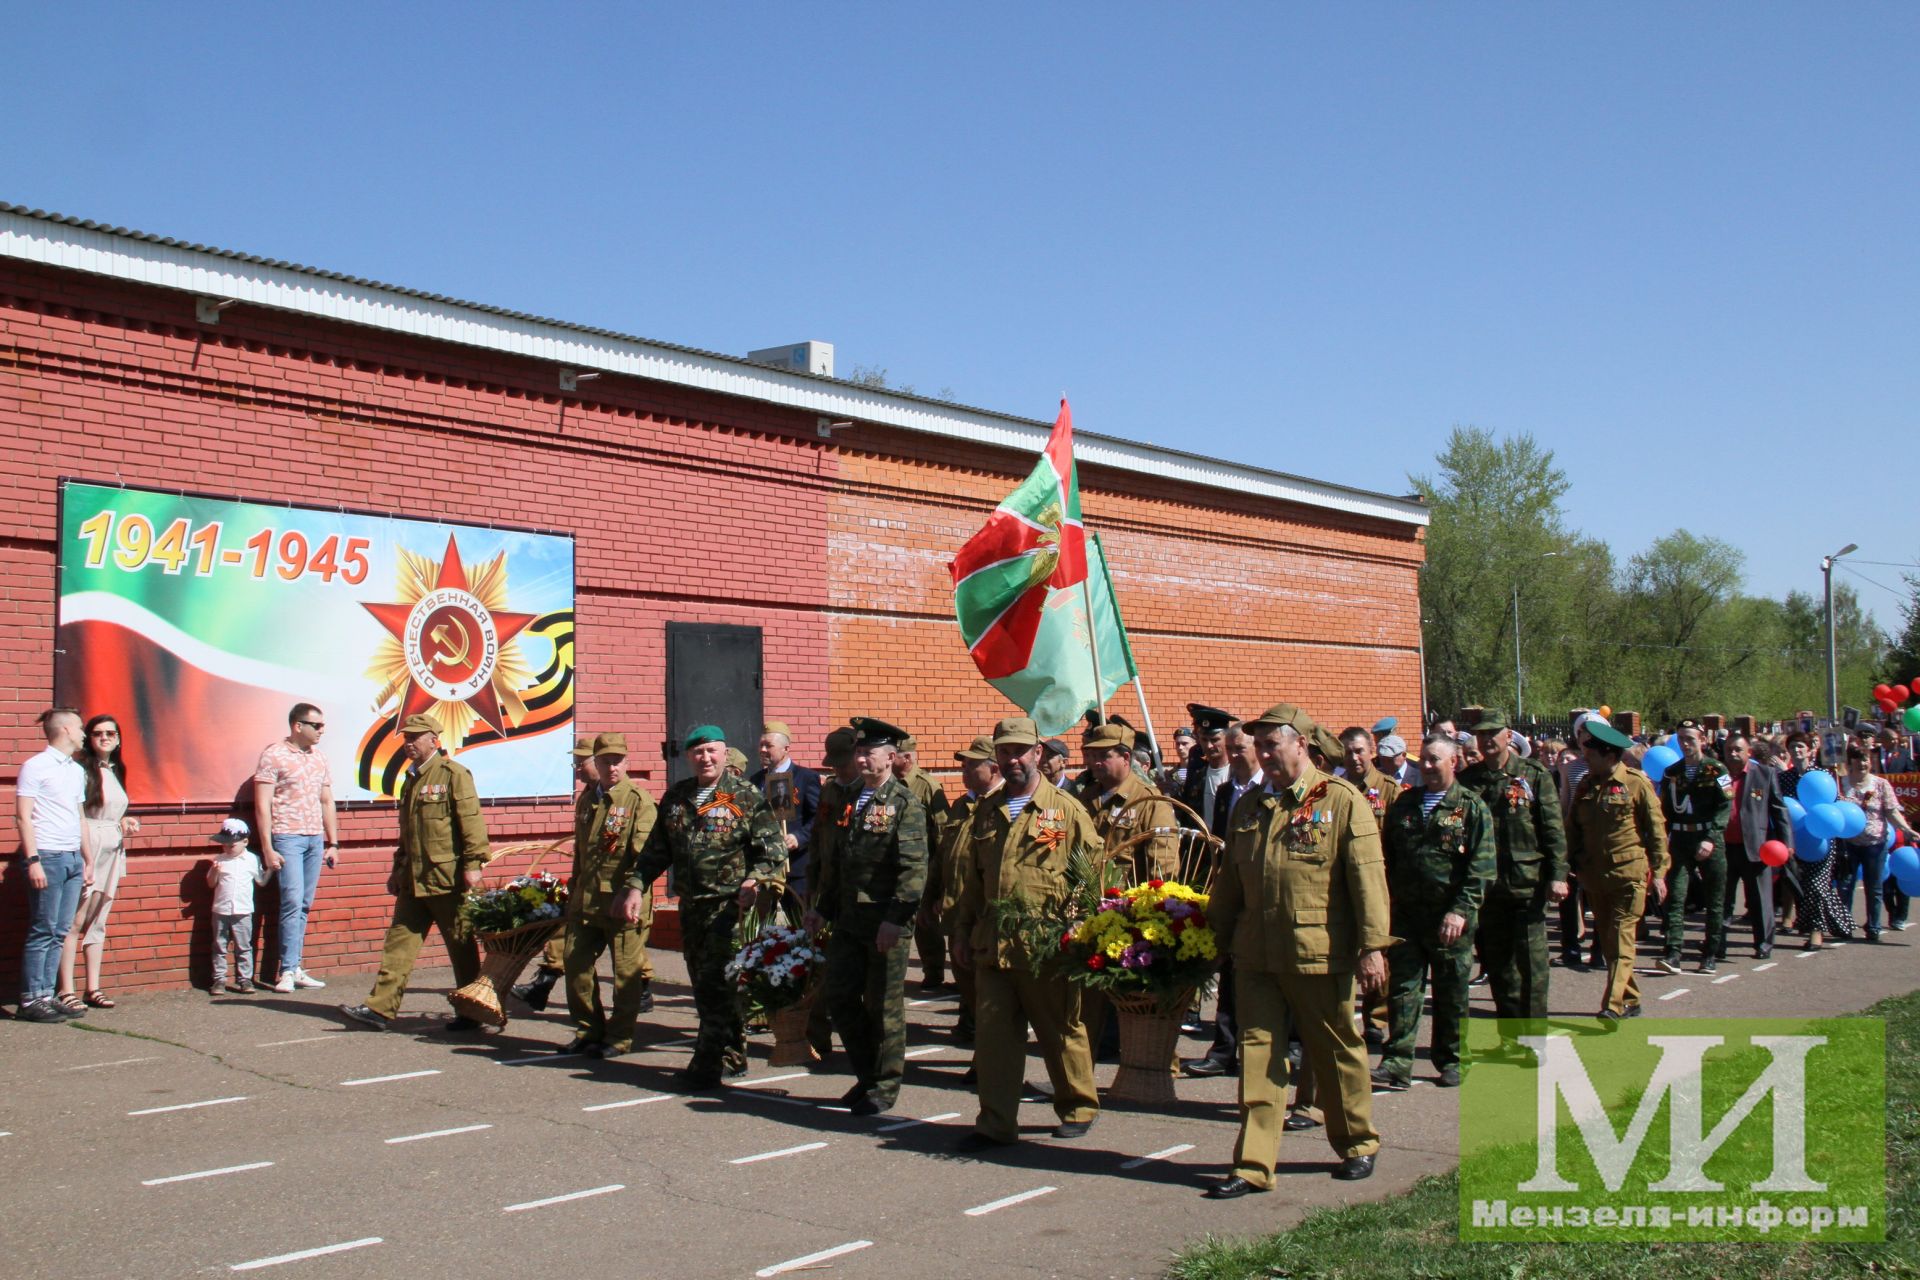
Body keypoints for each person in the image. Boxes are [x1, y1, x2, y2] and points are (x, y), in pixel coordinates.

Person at [1206, 703, 1391, 1197]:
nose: (1264, 754)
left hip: (1317, 951)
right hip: (1256, 955)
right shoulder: (1248, 806)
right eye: (1258, 745)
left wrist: (1373, 947)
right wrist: (1212, 940)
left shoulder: (1340, 800)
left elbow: (1368, 879)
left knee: (1334, 1051)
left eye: (1273, 744)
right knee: (1258, 1057)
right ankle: (1252, 1164)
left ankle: (1357, 1142)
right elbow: (1230, 885)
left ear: (1299, 745)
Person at [949, 716, 1103, 1152]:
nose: (1012, 758)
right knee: (995, 1037)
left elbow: (1089, 873)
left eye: (1021, 750)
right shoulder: (988, 811)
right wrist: (962, 930)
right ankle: (996, 1123)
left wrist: (1077, 923)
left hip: (1046, 945)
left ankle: (1077, 1106)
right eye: (1004, 751)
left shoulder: (1066, 810)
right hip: (992, 944)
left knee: (1060, 1030)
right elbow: (972, 881)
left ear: (1038, 754)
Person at [615, 725, 785, 1089]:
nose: (705, 758)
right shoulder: (677, 797)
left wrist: (755, 880)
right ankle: (733, 1054)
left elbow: (771, 851)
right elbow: (655, 851)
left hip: (729, 908)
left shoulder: (745, 796)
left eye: (712, 751)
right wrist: (634, 886)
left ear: (725, 754)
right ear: (688, 756)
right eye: (698, 752)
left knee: (718, 984)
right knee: (705, 983)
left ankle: (707, 1064)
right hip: (691, 908)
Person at [806, 717, 928, 1116]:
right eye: (858, 751)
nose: (860, 758)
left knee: (884, 1006)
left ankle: (886, 1084)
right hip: (847, 919)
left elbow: (913, 870)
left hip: (884, 921)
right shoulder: (847, 798)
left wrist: (896, 920)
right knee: (839, 996)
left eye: (868, 752)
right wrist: (822, 909)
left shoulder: (904, 803)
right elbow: (837, 861)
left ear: (891, 757)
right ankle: (867, 1074)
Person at [339, 713, 492, 1031]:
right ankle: (380, 1008)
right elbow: (407, 833)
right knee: (399, 943)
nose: (408, 743)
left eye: (414, 738)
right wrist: (397, 869)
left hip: (447, 880)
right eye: (406, 738)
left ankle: (471, 1011)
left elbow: (471, 822)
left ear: (433, 740)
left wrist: (473, 866)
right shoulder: (411, 779)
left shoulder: (453, 774)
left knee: (461, 947)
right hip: (413, 879)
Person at [1374, 735, 1494, 1090]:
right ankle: (1397, 1061)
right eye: (1423, 759)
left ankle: (1453, 1059)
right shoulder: (1406, 804)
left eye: (1435, 760)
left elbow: (1482, 869)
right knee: (1403, 989)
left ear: (1453, 762)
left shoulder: (1471, 807)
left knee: (1451, 992)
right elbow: (1389, 858)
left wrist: (1460, 911)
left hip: (1449, 920)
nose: (1426, 766)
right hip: (1409, 917)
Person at [1458, 710, 1567, 1030]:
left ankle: (1533, 1033)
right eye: (1481, 734)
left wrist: (1558, 875)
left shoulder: (1533, 776)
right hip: (1488, 887)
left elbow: (1553, 829)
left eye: (1493, 733)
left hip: (1527, 884)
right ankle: (1510, 1032)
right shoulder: (1469, 781)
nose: (1487, 740)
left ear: (1508, 736)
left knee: (1532, 962)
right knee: (1499, 962)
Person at [1079, 720, 1179, 1061]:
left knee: (1139, 1001)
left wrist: (1148, 917)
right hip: (1089, 910)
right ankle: (1086, 1065)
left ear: (1125, 756)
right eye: (1089, 756)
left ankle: (1154, 1065)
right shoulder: (1087, 798)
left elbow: (1161, 868)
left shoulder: (1150, 802)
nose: (1093, 763)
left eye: (1102, 756)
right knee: (1089, 1000)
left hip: (1127, 915)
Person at [560, 733, 659, 1058]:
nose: (612, 766)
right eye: (605, 760)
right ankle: (588, 1030)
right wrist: (572, 889)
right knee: (575, 964)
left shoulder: (638, 800)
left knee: (625, 975)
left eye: (618, 760)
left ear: (627, 762)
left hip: (622, 903)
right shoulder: (587, 799)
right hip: (586, 900)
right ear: (596, 763)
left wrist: (631, 891)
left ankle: (618, 1037)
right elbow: (581, 853)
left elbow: (644, 857)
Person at [1566, 718, 1668, 1023]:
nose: (1585, 759)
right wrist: (1566, 866)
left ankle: (1612, 1004)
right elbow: (1573, 828)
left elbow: (1657, 830)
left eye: (1591, 754)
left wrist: (1660, 873)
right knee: (1611, 942)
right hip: (1595, 878)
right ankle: (1631, 999)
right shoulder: (1586, 784)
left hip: (1629, 875)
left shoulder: (1636, 783)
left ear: (1610, 755)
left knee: (1622, 938)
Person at [1184, 723, 1264, 1079]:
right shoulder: (1230, 789)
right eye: (1229, 749)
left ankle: (1283, 1045)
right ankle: (1224, 1048)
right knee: (1229, 969)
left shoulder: (1268, 788)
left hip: (1261, 892)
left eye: (1239, 748)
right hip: (1232, 888)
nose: (1233, 755)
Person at [14, 707, 95, 1023]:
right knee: (43, 928)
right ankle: (30, 998)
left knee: (61, 929)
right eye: (80, 727)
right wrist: (33, 860)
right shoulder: (35, 766)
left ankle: (46, 995)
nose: (84, 733)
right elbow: (23, 816)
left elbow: (80, 817)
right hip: (47, 855)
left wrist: (86, 859)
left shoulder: (75, 770)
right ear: (64, 730)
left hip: (72, 857)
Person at [254, 703, 340, 993]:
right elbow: (262, 804)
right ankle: (287, 970)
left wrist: (333, 842)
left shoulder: (319, 758)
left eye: (322, 726)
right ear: (297, 725)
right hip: (287, 837)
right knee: (291, 902)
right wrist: (267, 847)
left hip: (314, 838)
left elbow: (327, 801)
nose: (321, 731)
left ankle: (296, 965)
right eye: (316, 726)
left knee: (303, 904)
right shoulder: (273, 755)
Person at [57, 714, 138, 1013]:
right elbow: (79, 813)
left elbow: (113, 809)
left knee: (99, 917)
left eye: (111, 733)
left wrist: (125, 821)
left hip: (112, 846)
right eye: (97, 733)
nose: (105, 738)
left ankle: (94, 986)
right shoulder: (81, 770)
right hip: (88, 843)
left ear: (118, 738)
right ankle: (66, 989)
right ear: (89, 739)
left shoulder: (117, 770)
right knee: (76, 918)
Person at [513, 735, 596, 1011]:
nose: (577, 769)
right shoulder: (587, 796)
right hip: (585, 882)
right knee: (565, 931)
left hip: (614, 890)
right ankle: (542, 987)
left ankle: (639, 992)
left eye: (581, 763)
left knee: (627, 955)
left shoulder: (622, 797)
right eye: (575, 764)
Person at [937, 735, 1000, 1046]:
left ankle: (987, 1058)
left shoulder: (1003, 806)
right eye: (963, 765)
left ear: (994, 768)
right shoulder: (963, 804)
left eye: (972, 765)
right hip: (956, 912)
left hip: (985, 915)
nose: (965, 770)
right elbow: (945, 855)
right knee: (968, 987)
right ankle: (979, 1042)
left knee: (988, 995)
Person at [1656, 722, 1732, 974]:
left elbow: (1725, 806)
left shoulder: (1717, 770)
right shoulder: (1672, 772)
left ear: (1702, 740)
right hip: (1680, 839)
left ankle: (1710, 952)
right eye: (1680, 739)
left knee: (1714, 898)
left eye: (1690, 739)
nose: (1685, 744)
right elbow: (1665, 807)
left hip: (1708, 838)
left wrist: (1711, 837)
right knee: (1675, 896)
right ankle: (1673, 951)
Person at [806, 726, 862, 1060]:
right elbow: (818, 842)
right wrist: (813, 889)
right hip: (827, 896)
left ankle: (862, 1045)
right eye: (834, 763)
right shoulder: (829, 792)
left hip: (858, 901)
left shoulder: (871, 794)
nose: (839, 769)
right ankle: (816, 1038)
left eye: (844, 762)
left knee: (856, 981)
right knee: (819, 969)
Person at [1720, 733, 1794, 958]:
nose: (1733, 753)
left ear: (1748, 752)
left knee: (1760, 899)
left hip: (1755, 847)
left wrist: (1787, 842)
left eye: (1738, 749)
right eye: (1729, 749)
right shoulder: (1719, 776)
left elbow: (1779, 810)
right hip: (1724, 848)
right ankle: (1718, 943)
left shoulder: (1764, 774)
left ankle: (1763, 944)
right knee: (1722, 900)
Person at [1839, 741, 1919, 941]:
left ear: (1870, 761)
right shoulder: (1841, 783)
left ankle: (1873, 927)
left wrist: (1906, 830)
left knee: (1874, 887)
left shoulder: (1881, 784)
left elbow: (1892, 811)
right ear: (1849, 763)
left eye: (1865, 759)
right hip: (1848, 844)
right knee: (1846, 885)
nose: (1862, 763)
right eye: (1857, 759)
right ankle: (1844, 924)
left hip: (1875, 843)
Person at [892, 734, 952, 990]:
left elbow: (941, 829)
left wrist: (940, 872)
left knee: (925, 921)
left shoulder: (927, 785)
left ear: (907, 757)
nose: (890, 759)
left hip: (924, 863)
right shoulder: (889, 784)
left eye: (895, 755)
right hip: (895, 863)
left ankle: (934, 970)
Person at [752, 720, 822, 896]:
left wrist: (799, 837)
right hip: (764, 868)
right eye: (761, 745)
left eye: (768, 746)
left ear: (786, 749)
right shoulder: (754, 781)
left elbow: (820, 818)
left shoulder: (806, 778)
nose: (762, 750)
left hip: (796, 869)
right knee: (763, 922)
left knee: (798, 920)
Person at [206, 818, 268, 993]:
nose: (226, 848)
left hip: (243, 910)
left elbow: (261, 881)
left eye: (231, 845)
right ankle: (219, 980)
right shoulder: (219, 860)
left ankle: (245, 980)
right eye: (224, 844)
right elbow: (211, 884)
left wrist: (271, 869)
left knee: (243, 946)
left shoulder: (252, 860)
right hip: (221, 909)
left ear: (245, 842)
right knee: (219, 946)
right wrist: (215, 872)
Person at [1178, 705, 1236, 830]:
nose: (1209, 746)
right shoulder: (1198, 775)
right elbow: (1187, 811)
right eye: (1204, 739)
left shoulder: (1237, 774)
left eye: (1214, 740)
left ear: (1227, 739)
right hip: (1202, 845)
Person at [1338, 727, 1402, 824]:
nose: (1354, 758)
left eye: (1359, 751)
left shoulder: (1390, 789)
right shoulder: (1334, 788)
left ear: (1371, 751)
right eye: (1348, 753)